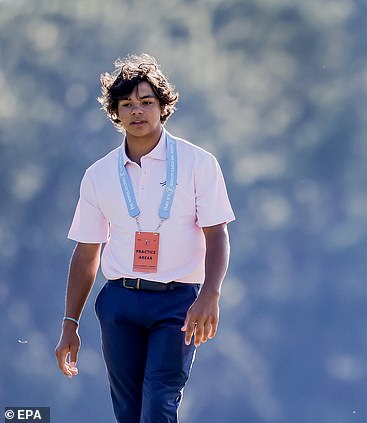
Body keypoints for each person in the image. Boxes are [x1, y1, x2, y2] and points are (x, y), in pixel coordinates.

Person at [54, 53, 236, 422]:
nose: (137, 111)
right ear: (115, 112)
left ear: (163, 107)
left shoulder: (198, 163)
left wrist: (210, 296)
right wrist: (69, 324)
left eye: (146, 102)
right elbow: (86, 253)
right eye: (127, 104)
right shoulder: (98, 175)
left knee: (159, 402)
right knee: (128, 411)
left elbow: (217, 236)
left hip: (178, 304)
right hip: (119, 302)